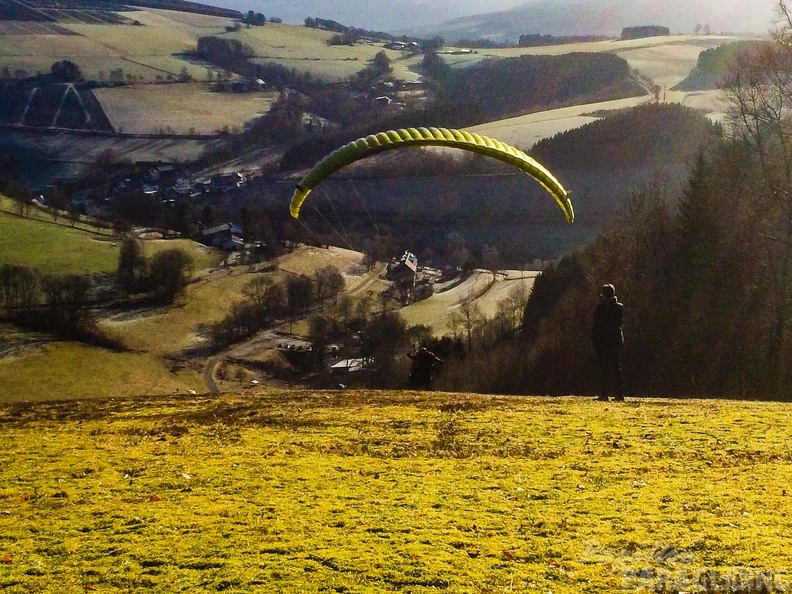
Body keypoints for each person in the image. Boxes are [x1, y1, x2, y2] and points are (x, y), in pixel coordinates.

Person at [592, 283, 624, 402]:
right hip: (616, 340)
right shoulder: (619, 307)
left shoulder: (601, 308)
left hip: (605, 340)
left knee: (605, 368)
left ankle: (604, 394)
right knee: (616, 366)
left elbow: (598, 325)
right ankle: (619, 394)